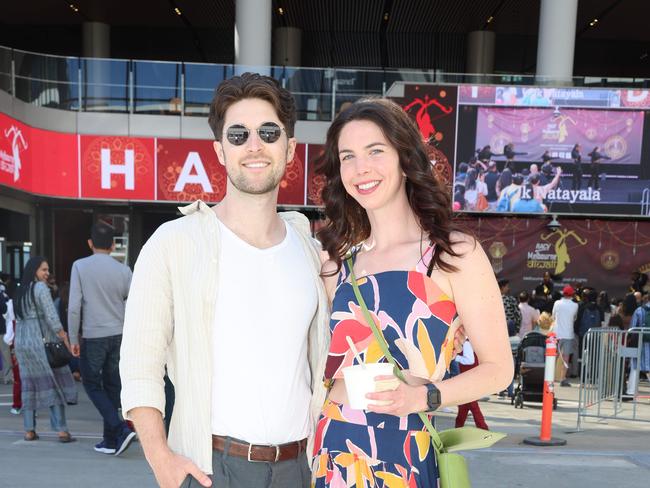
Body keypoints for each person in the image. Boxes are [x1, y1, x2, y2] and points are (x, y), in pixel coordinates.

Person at [119, 73, 332, 488]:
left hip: (301, 466)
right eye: (238, 135)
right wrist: (161, 458)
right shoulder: (175, 243)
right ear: (220, 150)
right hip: (212, 466)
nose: (254, 145)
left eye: (268, 132)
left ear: (289, 149)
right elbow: (139, 365)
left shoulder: (308, 249)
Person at [313, 98, 512, 486]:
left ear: (404, 158)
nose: (361, 168)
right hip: (335, 450)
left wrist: (426, 398)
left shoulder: (453, 254)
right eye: (347, 156)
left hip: (403, 449)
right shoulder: (339, 263)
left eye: (375, 151)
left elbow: (499, 370)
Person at [68, 221, 135, 456]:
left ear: (90, 243)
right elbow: (132, 302)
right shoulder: (124, 270)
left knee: (91, 383)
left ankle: (119, 428)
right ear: (114, 244)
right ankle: (109, 441)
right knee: (112, 384)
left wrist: (73, 337)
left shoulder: (80, 266)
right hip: (119, 334)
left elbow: (74, 306)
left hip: (93, 334)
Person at [13, 256, 77, 442]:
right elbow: (51, 316)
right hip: (41, 342)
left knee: (29, 384)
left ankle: (29, 430)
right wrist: (63, 336)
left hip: (23, 341)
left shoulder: (20, 291)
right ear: (34, 271)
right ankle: (62, 431)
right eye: (44, 270)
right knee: (54, 383)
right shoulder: (41, 288)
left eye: (47, 270)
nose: (47, 273)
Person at [453, 340, 489, 430]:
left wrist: (455, 357)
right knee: (464, 405)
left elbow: (470, 360)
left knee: (471, 404)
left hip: (468, 377)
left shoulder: (467, 343)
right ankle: (458, 427)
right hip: (470, 377)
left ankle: (483, 428)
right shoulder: (469, 342)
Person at [552, 285, 579, 387]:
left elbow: (553, 316)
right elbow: (574, 318)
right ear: (572, 294)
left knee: (554, 355)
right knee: (566, 357)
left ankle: (550, 376)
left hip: (557, 333)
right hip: (568, 334)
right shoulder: (575, 305)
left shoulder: (557, 303)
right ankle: (563, 378)